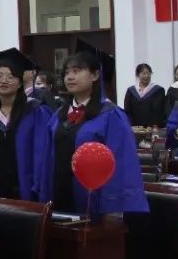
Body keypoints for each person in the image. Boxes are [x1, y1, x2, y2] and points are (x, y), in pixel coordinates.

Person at [36, 40, 148, 216]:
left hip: (95, 205)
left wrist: (113, 210)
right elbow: (47, 161)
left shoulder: (111, 116)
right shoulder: (58, 116)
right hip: (58, 201)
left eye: (77, 71)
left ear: (95, 75)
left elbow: (121, 164)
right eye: (67, 72)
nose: (70, 77)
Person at [0, 48, 53, 201]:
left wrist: (38, 188)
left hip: (27, 192)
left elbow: (42, 155)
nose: (3, 80)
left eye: (11, 76)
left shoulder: (36, 112)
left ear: (20, 83)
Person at [124, 63, 167, 137]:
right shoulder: (131, 91)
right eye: (143, 73)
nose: (146, 76)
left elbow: (158, 111)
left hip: (152, 130)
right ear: (138, 75)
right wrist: (132, 126)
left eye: (149, 73)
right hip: (135, 130)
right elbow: (128, 110)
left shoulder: (158, 90)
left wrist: (152, 126)